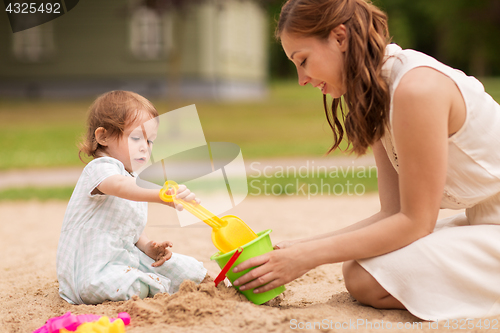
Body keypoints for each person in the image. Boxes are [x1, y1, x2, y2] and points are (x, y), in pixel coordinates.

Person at [232, 0, 500, 321]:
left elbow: (416, 222)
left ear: (340, 38)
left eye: (303, 60)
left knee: (366, 278)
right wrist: (294, 248)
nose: (301, 78)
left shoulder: (416, 89)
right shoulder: (374, 93)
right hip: (485, 218)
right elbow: (394, 212)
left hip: (490, 220)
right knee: (362, 267)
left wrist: (308, 257)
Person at [56, 90, 210, 305]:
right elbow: (119, 186)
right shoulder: (101, 168)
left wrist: (148, 247)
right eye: (136, 137)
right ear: (103, 137)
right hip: (90, 272)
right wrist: (160, 195)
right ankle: (158, 287)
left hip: (122, 259)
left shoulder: (133, 178)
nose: (145, 147)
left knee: (186, 268)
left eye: (150, 141)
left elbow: (129, 226)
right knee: (133, 283)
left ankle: (169, 281)